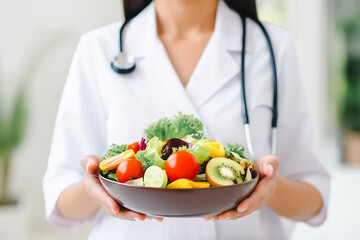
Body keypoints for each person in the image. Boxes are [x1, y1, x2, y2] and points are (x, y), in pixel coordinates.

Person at [43, 0, 331, 239]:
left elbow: (313, 200)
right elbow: (60, 204)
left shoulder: (273, 47)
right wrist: (98, 185)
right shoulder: (98, 48)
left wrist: (266, 186)